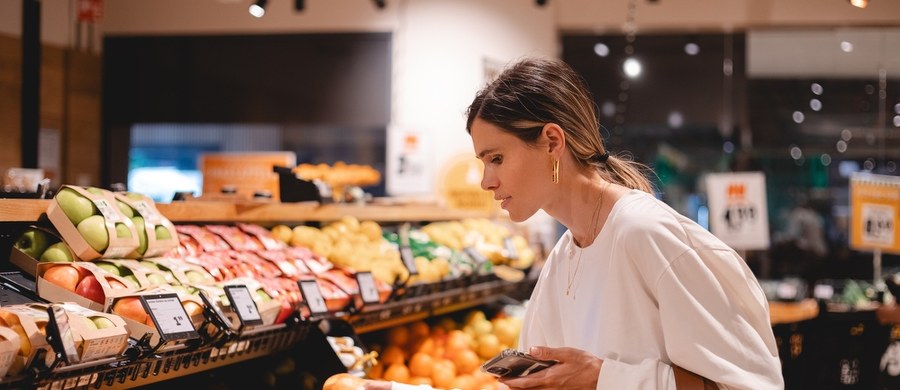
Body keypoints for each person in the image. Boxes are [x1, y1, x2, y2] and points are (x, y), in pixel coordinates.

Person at [367, 57, 783, 390]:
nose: (485, 181)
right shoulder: (565, 255)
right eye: (483, 162)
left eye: (496, 158)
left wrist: (602, 377)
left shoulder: (645, 233)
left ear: (551, 141)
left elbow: (748, 384)